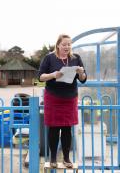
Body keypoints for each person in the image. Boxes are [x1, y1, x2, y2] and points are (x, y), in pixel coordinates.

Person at [38, 34, 87, 168]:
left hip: (70, 98)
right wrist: (54, 75)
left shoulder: (76, 58)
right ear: (58, 45)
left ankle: (66, 158)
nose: (67, 47)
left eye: (69, 44)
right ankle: (53, 158)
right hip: (53, 97)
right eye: (64, 44)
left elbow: (83, 79)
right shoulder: (49, 58)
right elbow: (40, 77)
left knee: (67, 129)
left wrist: (81, 72)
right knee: (53, 129)